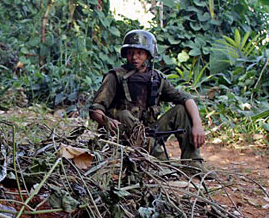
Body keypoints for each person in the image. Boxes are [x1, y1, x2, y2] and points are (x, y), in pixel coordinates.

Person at [89, 29, 211, 175]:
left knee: (181, 110)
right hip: (122, 136)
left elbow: (186, 99)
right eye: (130, 53)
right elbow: (95, 109)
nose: (134, 57)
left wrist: (197, 125)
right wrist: (106, 120)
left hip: (150, 132)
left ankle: (193, 164)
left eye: (139, 53)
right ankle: (160, 163)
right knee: (124, 114)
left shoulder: (156, 78)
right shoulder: (116, 77)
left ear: (148, 54)